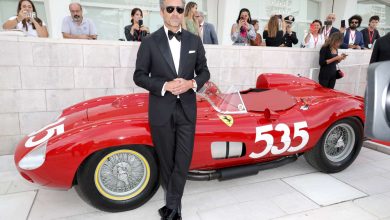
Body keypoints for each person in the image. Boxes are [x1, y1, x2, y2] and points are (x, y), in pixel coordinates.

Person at [133, 0, 210, 219]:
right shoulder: (149, 42)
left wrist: (191, 83)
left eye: (178, 9)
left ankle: (173, 205)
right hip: (161, 109)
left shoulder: (194, 40)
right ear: (162, 12)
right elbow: (139, 76)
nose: (175, 13)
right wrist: (164, 86)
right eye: (170, 9)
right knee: (166, 160)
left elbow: (204, 72)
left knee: (182, 160)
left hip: (186, 108)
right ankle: (173, 205)